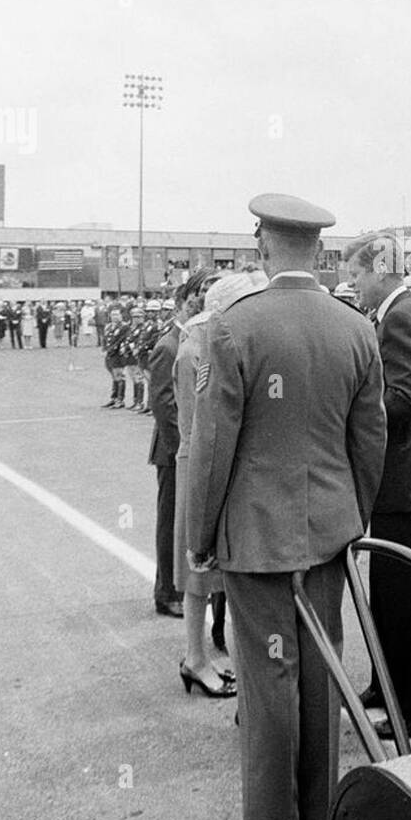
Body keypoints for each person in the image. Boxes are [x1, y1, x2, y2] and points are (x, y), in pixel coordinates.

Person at [188, 194, 386, 820]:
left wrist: (200, 537)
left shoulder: (236, 327)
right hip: (327, 534)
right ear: (321, 252)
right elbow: (371, 438)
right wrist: (349, 517)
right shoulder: (355, 327)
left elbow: (211, 448)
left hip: (258, 536)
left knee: (270, 683)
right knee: (320, 675)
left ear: (263, 247)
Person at [343, 230, 411, 743]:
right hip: (395, 482)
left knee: (408, 599)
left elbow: (404, 399)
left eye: (357, 275)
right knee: (387, 596)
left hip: (405, 484)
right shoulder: (391, 315)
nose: (352, 284)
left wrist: (351, 416)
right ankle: (386, 688)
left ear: (380, 270)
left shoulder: (402, 317)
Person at [172, 268, 238, 698]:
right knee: (198, 571)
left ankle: (201, 656)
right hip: (198, 467)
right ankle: (195, 659)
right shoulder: (195, 350)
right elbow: (198, 430)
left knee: (210, 572)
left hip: (208, 464)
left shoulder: (204, 343)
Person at [147, 289, 187, 618]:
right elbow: (162, 405)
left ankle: (178, 588)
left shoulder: (187, 341)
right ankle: (167, 593)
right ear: (180, 305)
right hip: (173, 450)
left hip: (184, 449)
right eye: (192, 302)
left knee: (183, 523)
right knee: (171, 523)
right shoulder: (168, 346)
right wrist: (183, 449)